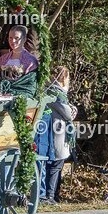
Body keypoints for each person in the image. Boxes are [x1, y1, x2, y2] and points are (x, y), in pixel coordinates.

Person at [35, 67, 77, 204]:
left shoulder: (50, 90)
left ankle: (51, 194)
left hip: (55, 130)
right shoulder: (56, 93)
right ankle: (50, 195)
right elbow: (67, 113)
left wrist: (72, 109)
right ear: (64, 78)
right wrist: (72, 111)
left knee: (53, 165)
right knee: (55, 165)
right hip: (57, 132)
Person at [0, 25, 39, 94]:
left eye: (16, 38)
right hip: (1, 95)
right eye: (10, 38)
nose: (13, 41)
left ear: (24, 39)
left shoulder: (31, 61)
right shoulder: (3, 59)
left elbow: (30, 86)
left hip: (20, 96)